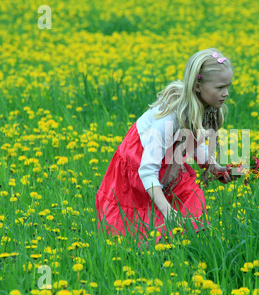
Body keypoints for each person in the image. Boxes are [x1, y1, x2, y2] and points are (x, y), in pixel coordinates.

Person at [95, 48, 237, 244]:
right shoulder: (169, 118)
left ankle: (185, 243)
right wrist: (168, 211)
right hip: (141, 162)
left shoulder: (205, 107)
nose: (226, 93)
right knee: (145, 216)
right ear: (197, 86)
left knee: (192, 196)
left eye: (228, 86)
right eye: (220, 87)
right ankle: (155, 249)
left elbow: (195, 141)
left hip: (167, 159)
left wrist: (213, 166)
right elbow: (147, 170)